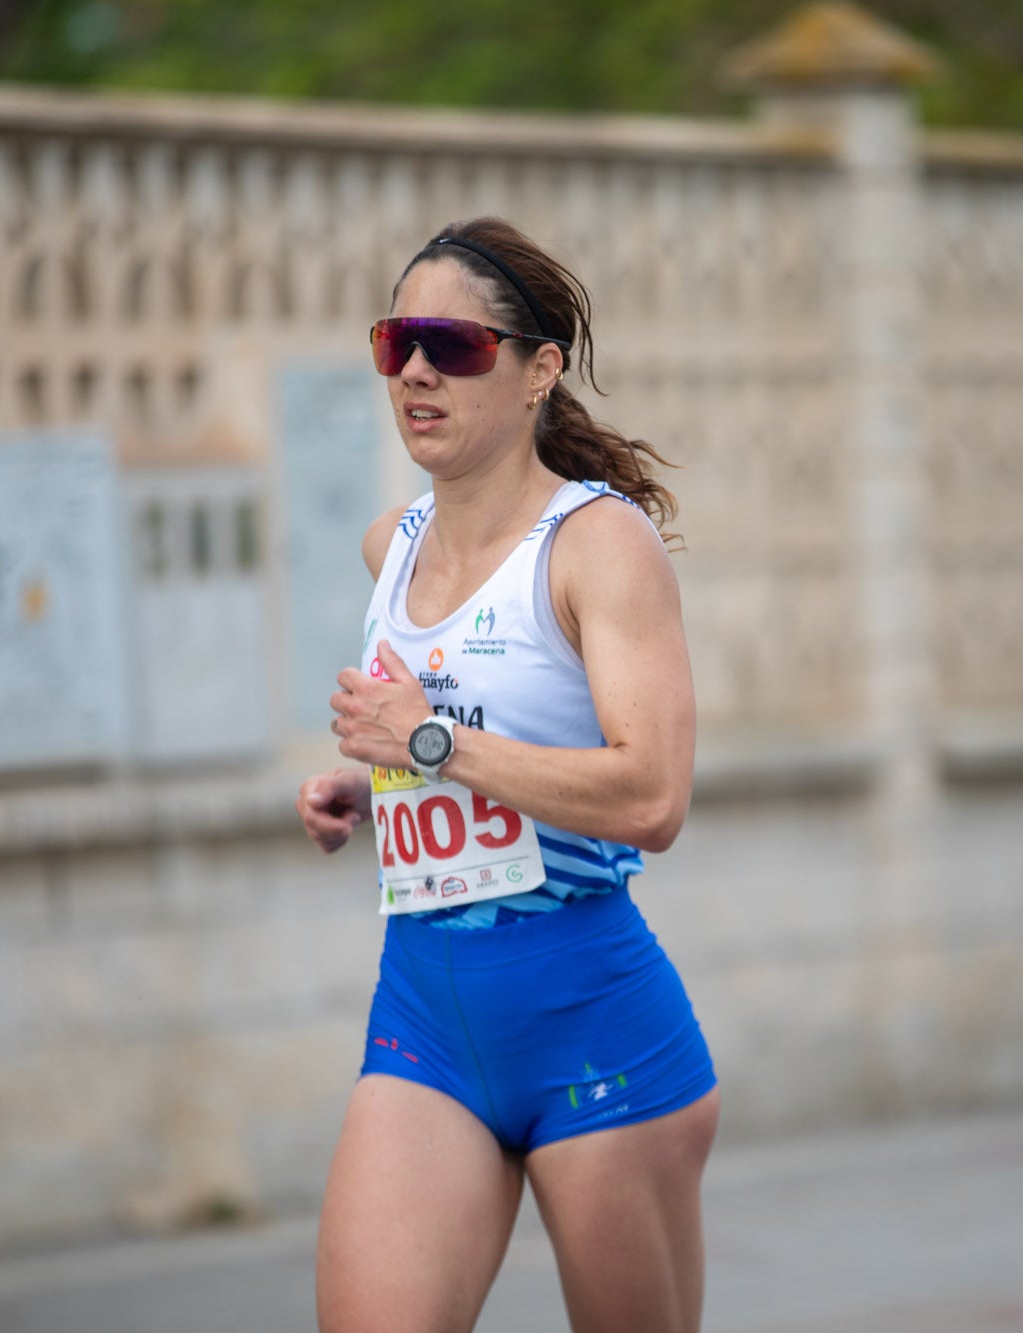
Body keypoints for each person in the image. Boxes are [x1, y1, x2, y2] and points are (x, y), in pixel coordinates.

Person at [295, 217, 718, 1333]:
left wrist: (429, 746)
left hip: (589, 1015)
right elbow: (434, 739)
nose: (419, 371)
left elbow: (652, 796)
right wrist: (373, 785)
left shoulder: (595, 545)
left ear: (536, 372)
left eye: (455, 346)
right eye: (398, 344)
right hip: (425, 1012)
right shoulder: (392, 544)